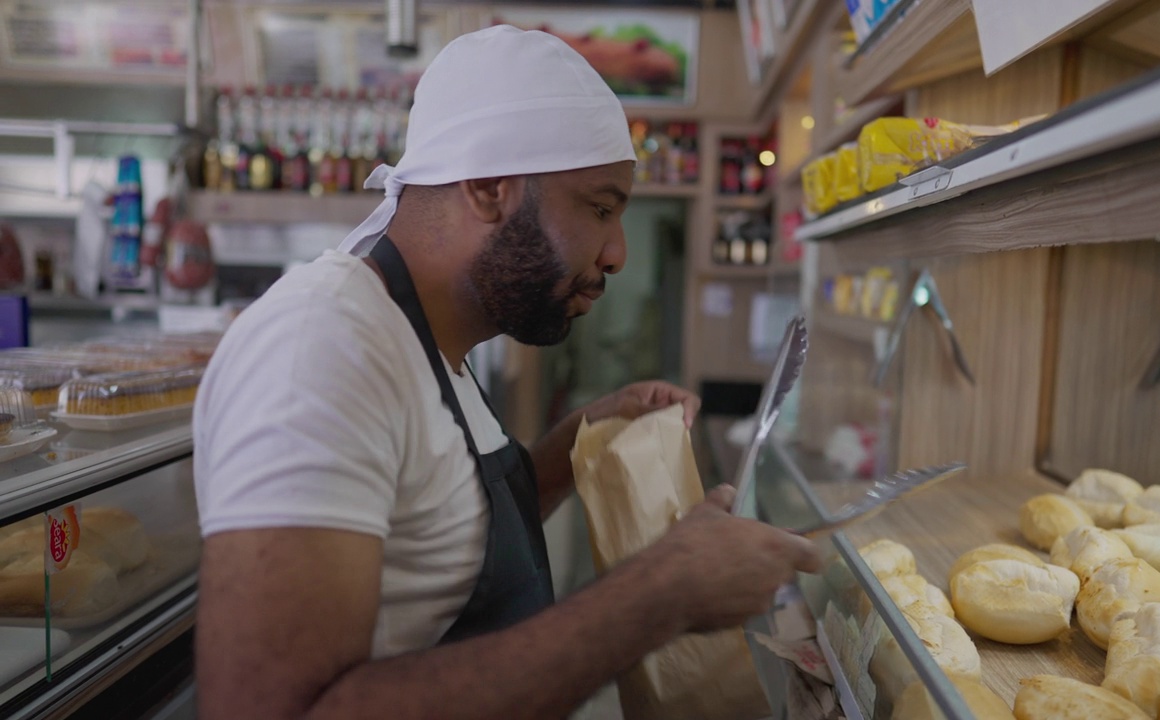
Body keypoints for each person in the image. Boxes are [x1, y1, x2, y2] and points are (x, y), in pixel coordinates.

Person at [194, 25, 820, 719]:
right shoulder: (321, 348)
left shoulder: (436, 348)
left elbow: (442, 528)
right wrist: (662, 594)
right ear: (491, 187)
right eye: (600, 208)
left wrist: (571, 450)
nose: (617, 253)